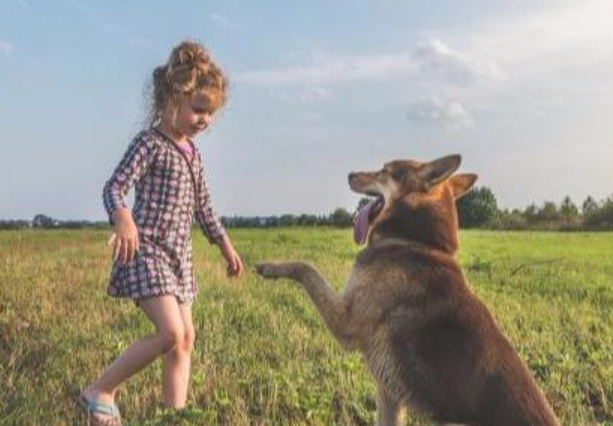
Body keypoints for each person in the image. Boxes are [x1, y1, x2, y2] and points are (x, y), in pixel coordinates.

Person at [79, 40, 243, 426]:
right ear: (172, 99)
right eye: (198, 109)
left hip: (178, 258)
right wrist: (122, 217)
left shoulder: (193, 156)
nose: (204, 119)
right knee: (169, 332)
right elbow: (114, 186)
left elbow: (204, 207)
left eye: (210, 113)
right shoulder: (150, 143)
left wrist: (225, 245)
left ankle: (176, 417)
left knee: (185, 337)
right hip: (147, 250)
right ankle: (99, 390)